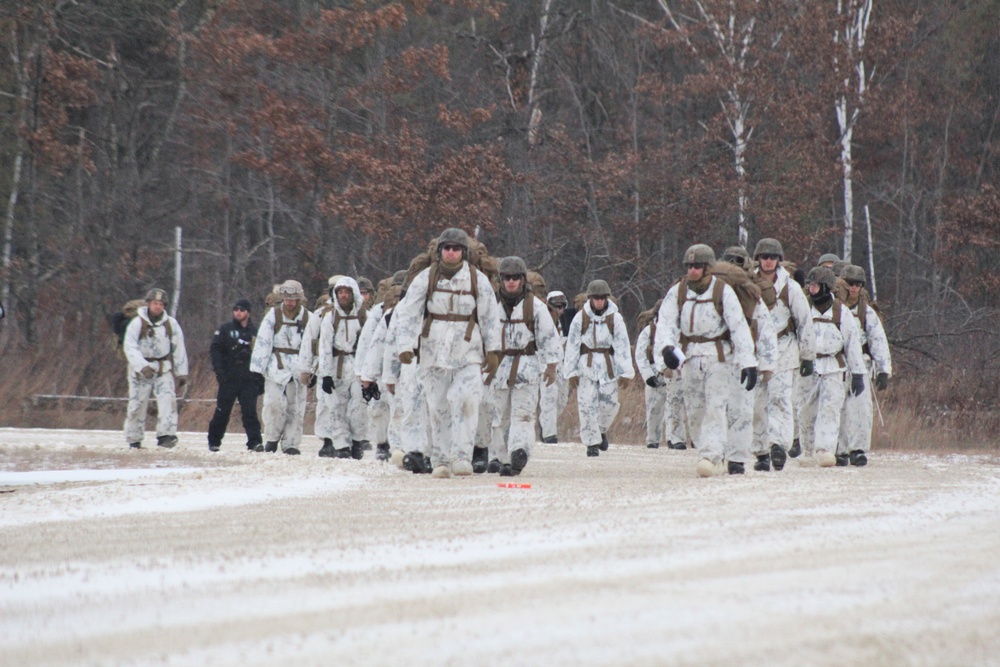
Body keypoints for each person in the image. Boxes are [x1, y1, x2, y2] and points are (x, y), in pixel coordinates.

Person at [392, 228, 502, 478]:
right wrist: (405, 346)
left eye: (456, 248)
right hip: (434, 351)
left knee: (467, 402)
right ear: (440, 250)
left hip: (469, 351)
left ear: (463, 252)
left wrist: (493, 350)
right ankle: (440, 459)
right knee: (437, 406)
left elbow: (489, 315)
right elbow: (409, 312)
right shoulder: (426, 277)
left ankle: (462, 456)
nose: (451, 252)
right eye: (447, 248)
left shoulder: (477, 279)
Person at [654, 245, 757, 477]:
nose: (692, 270)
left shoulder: (722, 291)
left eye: (697, 266)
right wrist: (666, 348)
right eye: (689, 266)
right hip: (689, 357)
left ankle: (710, 456)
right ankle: (712, 454)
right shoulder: (678, 291)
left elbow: (739, 326)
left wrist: (747, 361)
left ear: (707, 268)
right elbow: (666, 321)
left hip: (719, 357)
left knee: (716, 407)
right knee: (695, 409)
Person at [487, 257, 561, 476]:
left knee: (523, 415)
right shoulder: (489, 305)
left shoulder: (535, 307)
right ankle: (498, 456)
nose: (511, 282)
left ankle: (518, 453)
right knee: (497, 415)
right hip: (496, 368)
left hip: (526, 367)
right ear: (501, 279)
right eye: (507, 277)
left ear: (522, 279)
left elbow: (549, 337)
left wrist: (551, 366)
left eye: (515, 278)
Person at [750, 238, 816, 472]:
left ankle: (778, 445)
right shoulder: (748, 282)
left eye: (772, 257)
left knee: (780, 398)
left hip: (784, 347)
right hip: (755, 349)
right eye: (764, 257)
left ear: (778, 259)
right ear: (758, 258)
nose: (768, 261)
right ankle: (760, 451)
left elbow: (804, 321)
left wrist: (808, 355)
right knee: (757, 402)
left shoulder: (790, 287)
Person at [798, 266, 866, 467]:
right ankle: (808, 450)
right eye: (810, 285)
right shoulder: (803, 309)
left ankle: (825, 450)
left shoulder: (841, 312)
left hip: (834, 367)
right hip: (808, 366)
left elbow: (852, 344)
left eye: (816, 285)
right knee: (805, 410)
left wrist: (858, 374)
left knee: (830, 409)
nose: (811, 289)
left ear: (826, 288)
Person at [562, 279, 634, 457]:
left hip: (608, 365)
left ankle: (601, 430)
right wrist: (571, 372)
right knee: (586, 405)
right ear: (590, 298)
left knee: (609, 404)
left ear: (607, 298)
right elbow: (572, 344)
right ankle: (592, 443)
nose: (599, 301)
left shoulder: (615, 318)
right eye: (596, 298)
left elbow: (622, 344)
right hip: (586, 364)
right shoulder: (581, 317)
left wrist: (626, 372)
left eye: (602, 298)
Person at [837, 264, 892, 466]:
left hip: (860, 363)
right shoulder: (831, 306)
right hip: (835, 362)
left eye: (858, 284)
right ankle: (838, 449)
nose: (853, 288)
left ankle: (857, 449)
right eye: (849, 283)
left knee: (860, 408)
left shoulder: (866, 311)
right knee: (836, 407)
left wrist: (884, 370)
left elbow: (878, 340)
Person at [122, 288, 189, 449]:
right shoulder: (137, 323)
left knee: (168, 401)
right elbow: (129, 347)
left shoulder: (170, 324)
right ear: (149, 304)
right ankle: (134, 438)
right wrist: (142, 366)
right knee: (137, 404)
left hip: (162, 368)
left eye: (160, 304)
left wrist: (182, 373)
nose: (157, 307)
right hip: (141, 370)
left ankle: (166, 435)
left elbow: (179, 348)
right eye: (155, 303)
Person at [250, 279, 311, 455]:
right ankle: (271, 438)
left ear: (299, 299)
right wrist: (257, 370)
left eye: (293, 299)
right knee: (273, 404)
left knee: (296, 408)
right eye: (287, 299)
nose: (290, 303)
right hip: (276, 367)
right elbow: (263, 342)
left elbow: (314, 347)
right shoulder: (273, 316)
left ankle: (291, 443)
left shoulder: (308, 318)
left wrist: (312, 371)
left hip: (299, 367)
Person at [316, 276, 368, 459]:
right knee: (336, 408)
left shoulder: (363, 316)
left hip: (358, 366)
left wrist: (370, 372)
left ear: (353, 293)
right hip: (337, 366)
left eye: (346, 292)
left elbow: (369, 343)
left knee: (359, 407)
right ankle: (341, 445)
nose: (343, 296)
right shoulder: (330, 317)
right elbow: (324, 347)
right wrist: (325, 375)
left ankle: (357, 442)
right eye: (340, 292)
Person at [207, 299, 263, 452]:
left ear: (248, 312)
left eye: (242, 310)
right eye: (236, 309)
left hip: (248, 378)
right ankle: (214, 441)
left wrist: (260, 378)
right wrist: (220, 372)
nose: (238, 312)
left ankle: (255, 442)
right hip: (229, 378)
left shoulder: (255, 332)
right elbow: (215, 350)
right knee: (222, 411)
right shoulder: (225, 329)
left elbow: (262, 355)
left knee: (250, 412)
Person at [538, 290, 570, 444]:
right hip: (545, 366)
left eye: (562, 306)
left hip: (562, 367)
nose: (559, 310)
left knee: (561, 401)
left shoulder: (566, 324)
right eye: (556, 306)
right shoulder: (541, 321)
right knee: (549, 398)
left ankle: (544, 423)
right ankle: (549, 434)